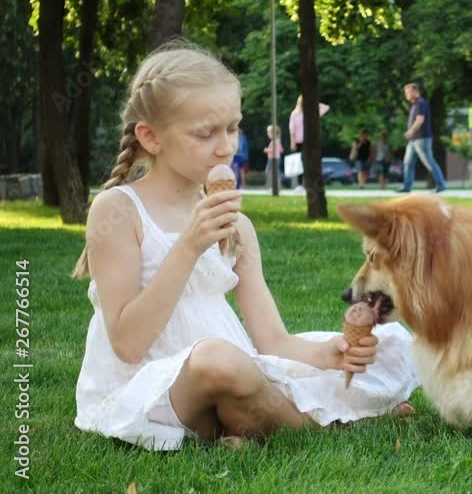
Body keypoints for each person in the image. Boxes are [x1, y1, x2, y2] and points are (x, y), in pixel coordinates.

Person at [69, 45, 417, 451]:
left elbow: (273, 341)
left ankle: (233, 428)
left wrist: (329, 355)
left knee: (391, 342)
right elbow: (128, 345)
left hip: (238, 371)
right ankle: (335, 422)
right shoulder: (118, 211)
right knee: (218, 361)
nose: (226, 147)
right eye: (205, 133)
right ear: (151, 136)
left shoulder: (238, 227)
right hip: (154, 385)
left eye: (232, 128)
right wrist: (189, 246)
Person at [398, 83, 447, 193]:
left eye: (408, 92)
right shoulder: (415, 104)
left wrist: (411, 131)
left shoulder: (421, 103)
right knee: (408, 163)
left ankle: (441, 185)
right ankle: (406, 187)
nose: (406, 95)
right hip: (413, 140)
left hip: (422, 139)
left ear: (414, 91)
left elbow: (420, 120)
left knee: (429, 162)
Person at [288, 95, 330, 190]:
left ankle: (309, 183)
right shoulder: (295, 114)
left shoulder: (311, 113)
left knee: (310, 162)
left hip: (310, 141)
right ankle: (300, 184)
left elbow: (326, 108)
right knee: (300, 163)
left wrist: (314, 102)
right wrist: (292, 142)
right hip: (299, 142)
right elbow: (292, 130)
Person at [263, 125, 284, 190]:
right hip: (277, 159)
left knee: (269, 172)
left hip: (273, 159)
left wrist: (266, 150)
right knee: (275, 173)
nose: (267, 134)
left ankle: (272, 186)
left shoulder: (274, 141)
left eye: (268, 132)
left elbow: (273, 150)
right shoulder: (278, 140)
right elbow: (281, 150)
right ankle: (277, 187)